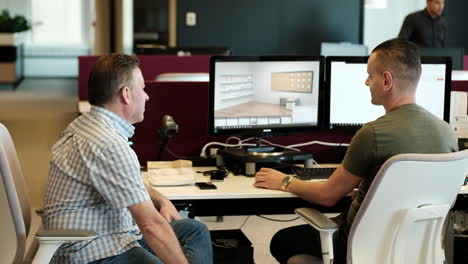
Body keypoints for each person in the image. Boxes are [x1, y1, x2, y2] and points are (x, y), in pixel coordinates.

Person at [254, 38, 458, 264]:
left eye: (371, 75)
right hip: (412, 248)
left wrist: (285, 181)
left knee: (283, 240)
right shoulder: (447, 132)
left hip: (358, 246)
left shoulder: (372, 133)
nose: (366, 81)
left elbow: (328, 196)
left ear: (387, 80)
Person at [43, 54, 213, 264]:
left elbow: (129, 185)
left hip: (108, 235)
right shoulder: (109, 144)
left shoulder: (87, 124)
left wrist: (161, 200)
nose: (147, 96)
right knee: (164, 246)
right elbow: (150, 225)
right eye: (142, 89)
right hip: (90, 252)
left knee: (194, 230)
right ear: (126, 94)